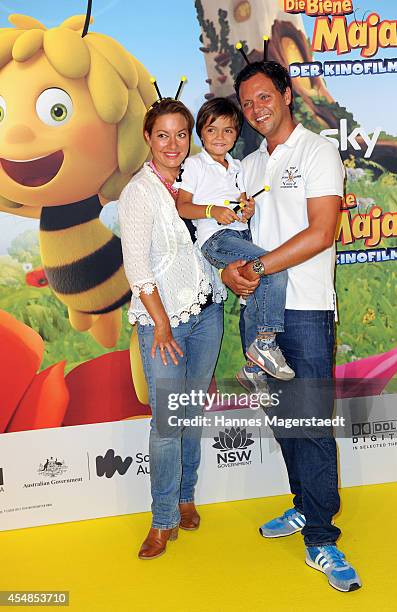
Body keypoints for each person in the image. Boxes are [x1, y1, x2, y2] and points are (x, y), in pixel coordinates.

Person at [222, 60, 362, 592]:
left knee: (311, 423)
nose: (256, 109)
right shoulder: (251, 165)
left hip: (305, 310)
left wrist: (256, 267)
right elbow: (242, 237)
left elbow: (322, 231)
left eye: (264, 97)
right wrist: (232, 270)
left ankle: (323, 538)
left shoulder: (318, 151)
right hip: (261, 314)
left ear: (285, 95)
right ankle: (305, 507)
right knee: (284, 421)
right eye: (247, 102)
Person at [118, 98, 226, 560]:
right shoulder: (139, 193)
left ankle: (186, 497)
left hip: (207, 315)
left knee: (191, 414)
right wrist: (160, 325)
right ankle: (161, 520)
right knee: (166, 426)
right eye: (163, 135)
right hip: (164, 325)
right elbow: (137, 269)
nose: (173, 144)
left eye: (181, 134)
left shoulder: (195, 178)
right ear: (148, 138)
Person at [177, 97, 294, 384]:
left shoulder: (237, 166)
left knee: (257, 288)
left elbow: (238, 206)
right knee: (272, 267)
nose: (220, 137)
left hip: (240, 233)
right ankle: (265, 344)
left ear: (236, 134)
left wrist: (246, 211)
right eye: (212, 130)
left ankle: (253, 370)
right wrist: (212, 211)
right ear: (200, 132)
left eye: (228, 130)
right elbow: (182, 206)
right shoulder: (194, 165)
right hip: (216, 240)